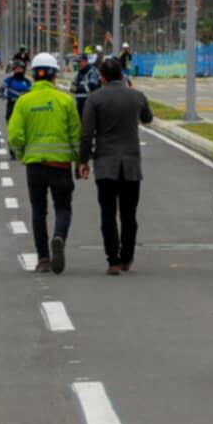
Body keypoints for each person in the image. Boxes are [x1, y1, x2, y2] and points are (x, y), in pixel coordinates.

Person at [77, 56, 153, 274]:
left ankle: (113, 260)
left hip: (105, 166)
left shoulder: (95, 99)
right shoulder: (136, 96)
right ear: (122, 75)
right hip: (131, 166)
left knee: (107, 213)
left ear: (102, 78)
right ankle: (127, 256)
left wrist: (83, 160)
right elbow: (148, 118)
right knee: (129, 214)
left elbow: (86, 134)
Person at [7, 52, 81, 273]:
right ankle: (59, 236)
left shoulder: (23, 101)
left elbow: (14, 136)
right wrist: (78, 161)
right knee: (63, 208)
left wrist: (23, 155)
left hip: (35, 167)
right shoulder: (65, 100)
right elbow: (76, 134)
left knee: (38, 211)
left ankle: (43, 258)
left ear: (34, 74)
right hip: (60, 165)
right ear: (54, 75)